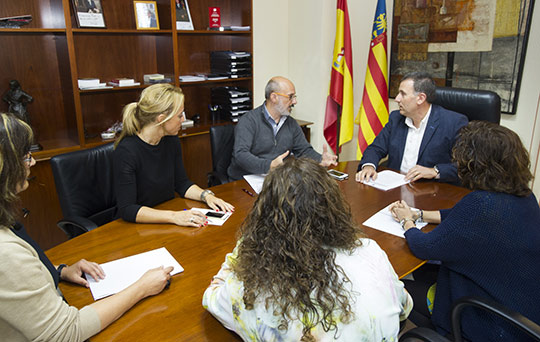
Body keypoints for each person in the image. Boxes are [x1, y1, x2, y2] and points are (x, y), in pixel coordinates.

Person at [0, 113, 173, 341]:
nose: (32, 162)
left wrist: (59, 271)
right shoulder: (6, 253)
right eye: (25, 156)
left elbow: (15, 277)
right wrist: (141, 287)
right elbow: (65, 333)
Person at [204, 158, 412, 341]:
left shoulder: (252, 292)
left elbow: (211, 297)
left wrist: (243, 248)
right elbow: (404, 306)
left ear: (265, 218)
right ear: (332, 208)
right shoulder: (369, 250)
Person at [389, 121, 540, 341]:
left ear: (475, 164)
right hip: (521, 310)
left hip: (489, 322)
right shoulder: (525, 197)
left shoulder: (480, 206)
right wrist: (418, 214)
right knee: (424, 273)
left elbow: (424, 247)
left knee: (396, 290)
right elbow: (458, 216)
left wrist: (406, 223)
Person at [113, 83, 234, 227]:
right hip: (138, 225)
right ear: (161, 119)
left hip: (165, 218)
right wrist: (174, 216)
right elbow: (128, 209)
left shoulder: (171, 140)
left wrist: (206, 196)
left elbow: (182, 183)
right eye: (179, 115)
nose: (183, 120)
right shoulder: (126, 151)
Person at [355, 72, 468, 184]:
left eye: (402, 94)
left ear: (420, 98)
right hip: (394, 188)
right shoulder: (396, 118)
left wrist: (435, 171)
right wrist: (369, 165)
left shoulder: (454, 123)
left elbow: (466, 166)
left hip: (431, 192)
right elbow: (376, 148)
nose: (397, 99)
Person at [227, 76, 337, 180]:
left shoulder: (291, 123)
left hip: (276, 180)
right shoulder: (249, 121)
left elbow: (303, 150)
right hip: (246, 180)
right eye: (290, 97)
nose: (294, 102)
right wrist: (269, 166)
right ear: (274, 97)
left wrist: (320, 159)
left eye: (294, 97)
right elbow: (241, 155)